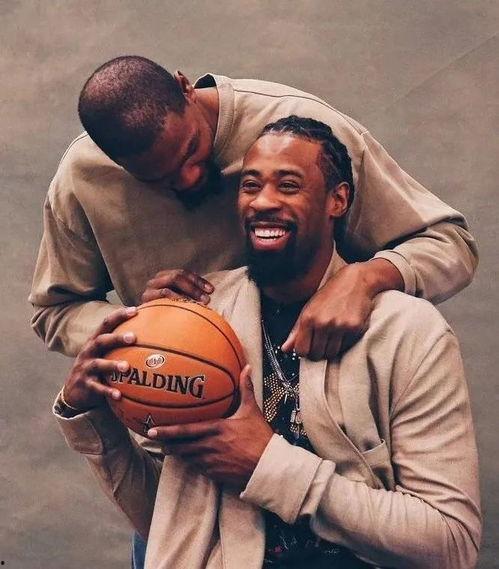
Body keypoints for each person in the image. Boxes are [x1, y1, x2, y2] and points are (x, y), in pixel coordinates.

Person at [54, 116, 481, 569]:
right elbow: (171, 523)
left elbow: (450, 543)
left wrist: (267, 465)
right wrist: (92, 418)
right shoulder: (202, 320)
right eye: (251, 185)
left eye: (289, 185)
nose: (263, 202)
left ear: (337, 200)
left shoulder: (408, 331)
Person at [30, 56, 478, 364]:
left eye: (191, 150)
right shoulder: (82, 177)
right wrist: (141, 326)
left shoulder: (304, 131)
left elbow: (449, 245)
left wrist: (364, 279)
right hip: (186, 431)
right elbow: (55, 311)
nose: (187, 178)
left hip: (331, 404)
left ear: (186, 89)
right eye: (158, 178)